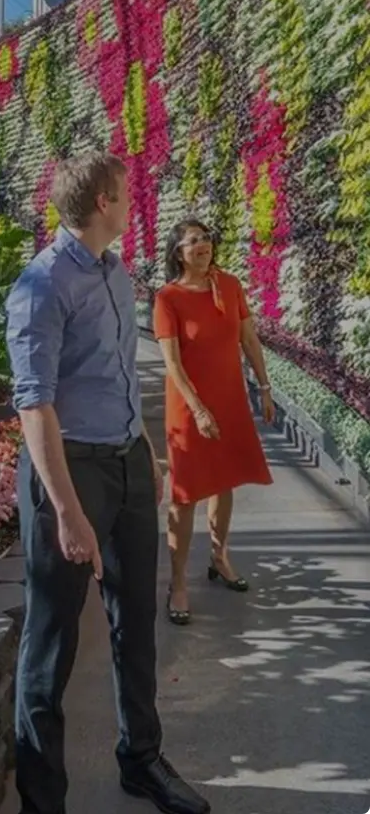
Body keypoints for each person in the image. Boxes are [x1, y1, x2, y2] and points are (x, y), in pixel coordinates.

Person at [5, 153, 211, 814]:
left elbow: (120, 374)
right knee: (51, 642)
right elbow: (34, 405)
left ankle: (141, 759)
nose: (134, 201)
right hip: (68, 472)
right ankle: (43, 801)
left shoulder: (118, 273)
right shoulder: (41, 285)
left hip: (125, 463)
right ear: (102, 203)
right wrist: (65, 512)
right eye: (127, 193)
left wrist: (145, 449)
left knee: (136, 622)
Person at [153, 216, 274, 626]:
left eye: (206, 238)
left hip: (230, 401)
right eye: (193, 241)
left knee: (224, 482)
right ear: (178, 252)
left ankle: (220, 558)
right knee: (186, 494)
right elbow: (171, 363)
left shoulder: (230, 285)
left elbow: (249, 338)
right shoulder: (167, 298)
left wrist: (264, 386)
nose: (203, 245)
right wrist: (199, 409)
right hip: (188, 407)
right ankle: (178, 583)